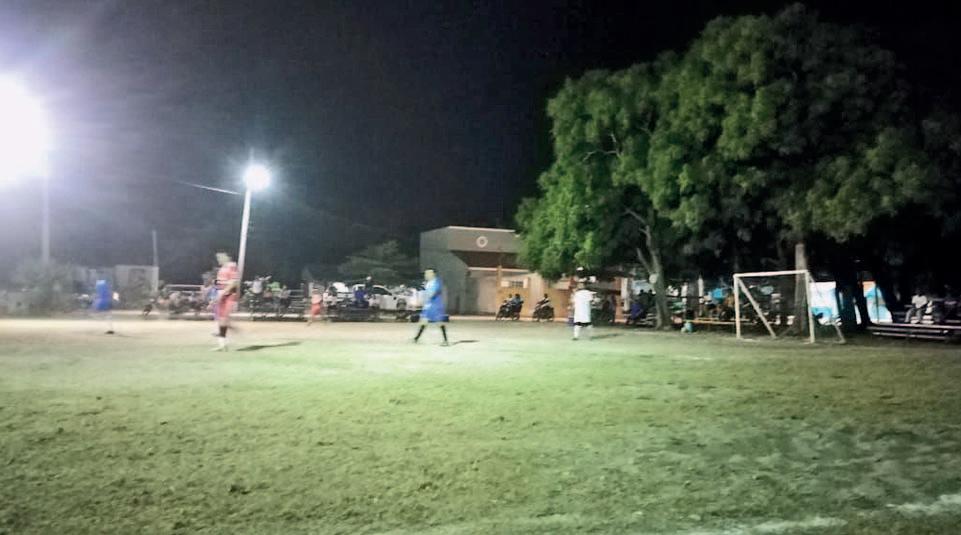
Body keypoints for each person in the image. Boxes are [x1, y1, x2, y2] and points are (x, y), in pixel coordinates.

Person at [413, 268, 448, 346]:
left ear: (433, 274)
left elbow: (434, 293)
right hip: (429, 305)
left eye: (428, 273)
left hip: (435, 305)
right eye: (426, 273)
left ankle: (446, 340)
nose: (426, 275)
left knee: (439, 322)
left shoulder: (437, 282)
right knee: (424, 321)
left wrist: (428, 297)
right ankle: (416, 338)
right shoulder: (428, 283)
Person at [212, 252, 239, 351]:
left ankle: (222, 344)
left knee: (223, 319)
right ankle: (222, 344)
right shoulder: (222, 269)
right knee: (221, 319)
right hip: (221, 295)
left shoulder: (231, 266)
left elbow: (234, 282)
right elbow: (220, 282)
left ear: (227, 257)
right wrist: (216, 287)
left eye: (220, 257)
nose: (218, 259)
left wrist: (222, 293)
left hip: (228, 295)